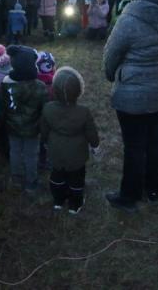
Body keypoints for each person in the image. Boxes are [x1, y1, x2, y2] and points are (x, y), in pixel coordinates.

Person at [103, 0, 158, 211]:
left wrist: (111, 74)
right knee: (156, 138)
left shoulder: (130, 17)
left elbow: (111, 54)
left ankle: (129, 196)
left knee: (135, 145)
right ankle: (154, 188)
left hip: (135, 92)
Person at [41, 66, 100, 214]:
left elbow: (44, 129)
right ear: (79, 91)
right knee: (76, 180)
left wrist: (45, 142)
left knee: (57, 176)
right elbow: (91, 132)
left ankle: (58, 200)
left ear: (54, 89)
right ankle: (75, 204)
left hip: (55, 152)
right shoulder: (83, 112)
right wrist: (95, 145)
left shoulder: (47, 108)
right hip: (77, 155)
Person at [0, 45, 48, 193]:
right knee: (31, 155)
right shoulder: (40, 86)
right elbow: (44, 109)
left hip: (12, 127)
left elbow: (3, 105)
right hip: (32, 129)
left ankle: (16, 178)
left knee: (15, 151)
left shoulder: (5, 83)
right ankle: (31, 182)